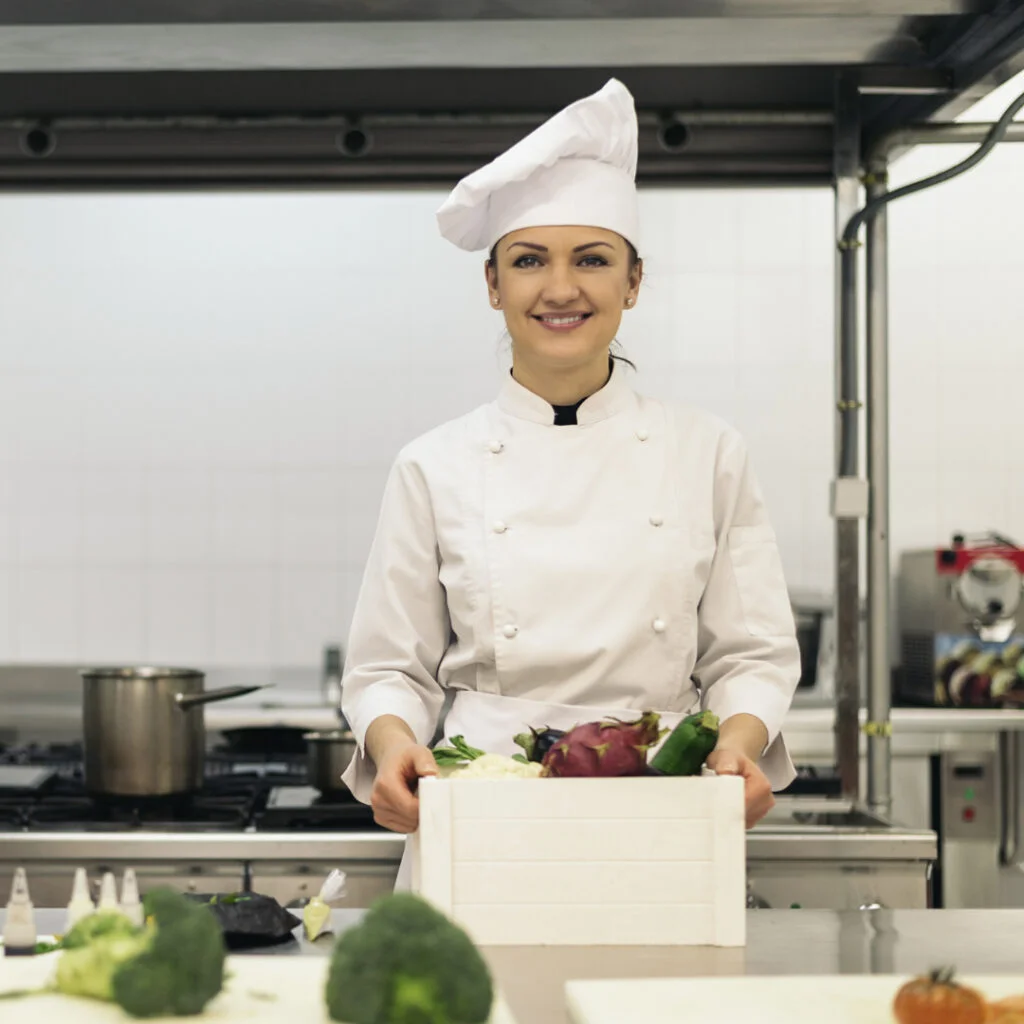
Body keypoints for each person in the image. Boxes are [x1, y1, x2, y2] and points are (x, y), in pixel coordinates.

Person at [340, 78, 800, 889]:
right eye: (529, 262)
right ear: (493, 286)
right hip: (480, 806)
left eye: (592, 260)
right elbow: (387, 669)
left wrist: (738, 743)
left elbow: (753, 653)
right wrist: (393, 742)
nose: (561, 289)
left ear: (633, 281)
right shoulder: (434, 464)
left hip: (662, 803)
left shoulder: (708, 452)